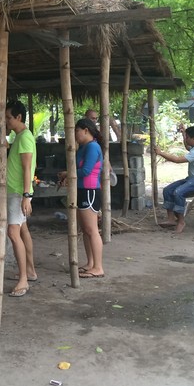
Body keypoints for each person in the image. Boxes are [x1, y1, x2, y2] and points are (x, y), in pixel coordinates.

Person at [59, 118, 105, 278]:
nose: (74, 134)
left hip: (90, 191)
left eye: (76, 131)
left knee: (92, 230)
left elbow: (85, 171)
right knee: (86, 230)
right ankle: (90, 263)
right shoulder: (84, 147)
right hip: (81, 190)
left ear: (86, 130)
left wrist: (67, 173)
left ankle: (98, 267)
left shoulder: (92, 147)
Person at [4, 100, 37, 297]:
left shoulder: (24, 138)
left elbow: (27, 168)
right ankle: (30, 271)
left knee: (13, 233)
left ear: (19, 117)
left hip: (18, 192)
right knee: (23, 231)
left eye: (9, 118)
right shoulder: (20, 137)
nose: (6, 121)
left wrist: (26, 195)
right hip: (16, 191)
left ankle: (23, 280)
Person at [154, 125, 194, 234]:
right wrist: (183, 133)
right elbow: (187, 147)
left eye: (187, 137)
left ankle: (181, 221)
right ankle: (171, 219)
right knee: (167, 190)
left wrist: (160, 152)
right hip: (192, 179)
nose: (186, 139)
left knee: (178, 192)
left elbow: (177, 160)